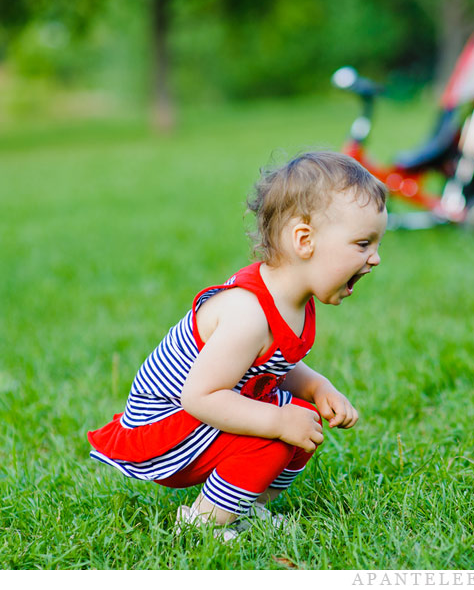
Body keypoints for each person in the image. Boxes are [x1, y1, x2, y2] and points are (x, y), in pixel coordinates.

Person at [87, 151, 388, 539]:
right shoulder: (247, 314)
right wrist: (276, 421)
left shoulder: (293, 300)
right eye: (363, 243)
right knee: (277, 431)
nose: (375, 258)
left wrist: (316, 387)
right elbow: (200, 396)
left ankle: (246, 507)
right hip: (167, 426)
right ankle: (201, 523)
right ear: (304, 240)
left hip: (201, 415)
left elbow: (270, 363)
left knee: (301, 421)